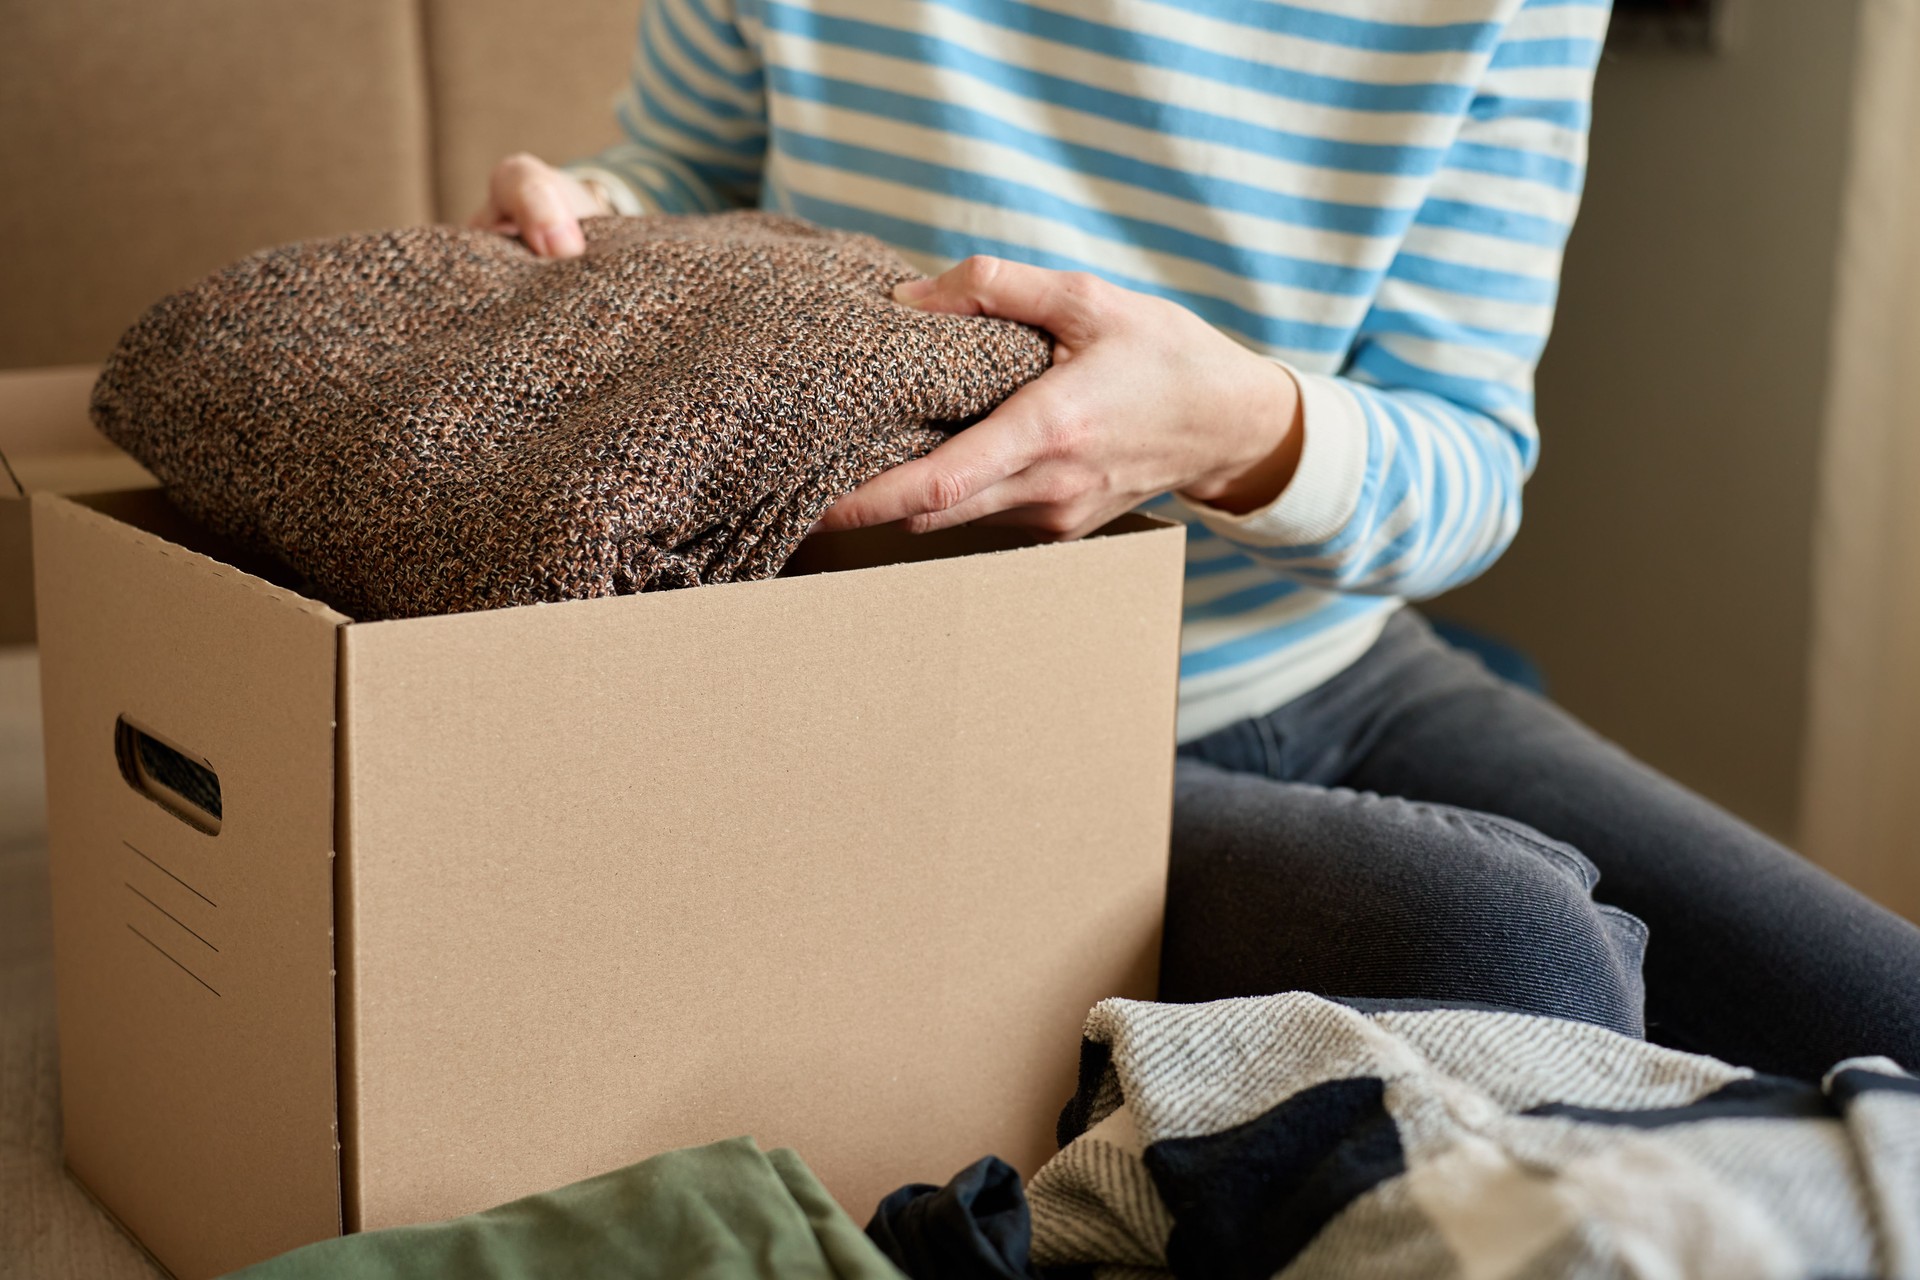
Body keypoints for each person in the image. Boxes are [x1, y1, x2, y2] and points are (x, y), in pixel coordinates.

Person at [472, 0, 1920, 1079]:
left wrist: (1235, 430)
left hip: (1330, 673)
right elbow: (683, 168)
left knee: (1888, 1020)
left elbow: (1469, 464)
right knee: (1516, 946)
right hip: (927, 686)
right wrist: (590, 218)